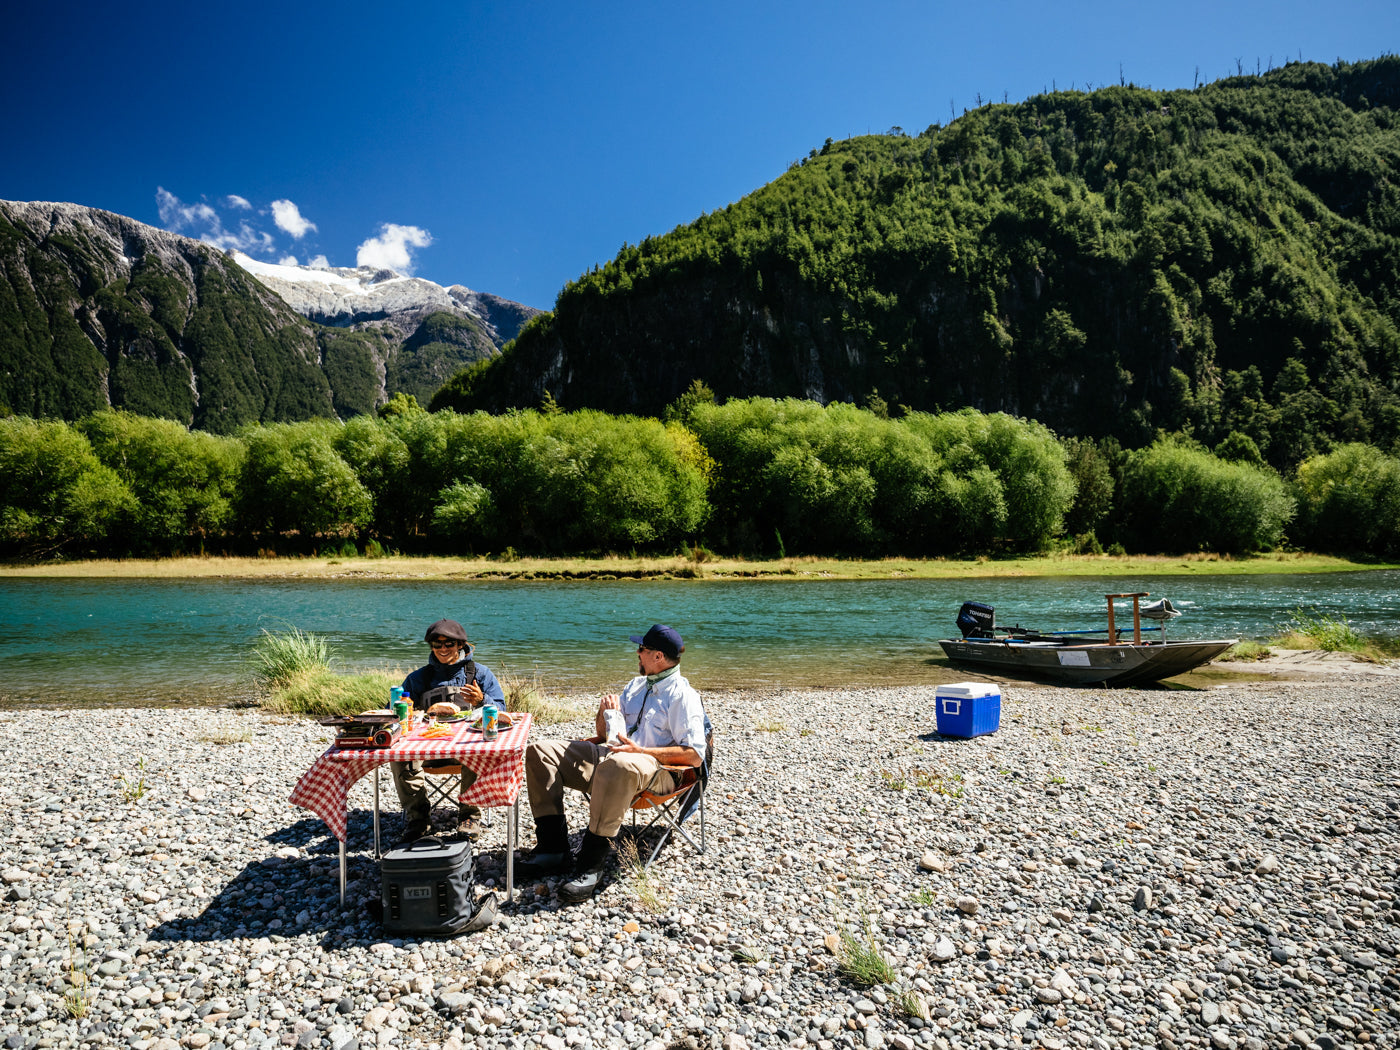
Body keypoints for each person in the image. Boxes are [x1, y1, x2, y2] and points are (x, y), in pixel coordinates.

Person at [518, 623, 707, 903]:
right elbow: (606, 735)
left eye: (641, 648)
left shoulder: (683, 695)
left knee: (619, 765)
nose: (637, 653)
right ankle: (552, 849)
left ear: (658, 656)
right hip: (614, 756)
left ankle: (590, 865)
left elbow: (694, 754)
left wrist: (640, 750)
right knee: (540, 752)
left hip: (657, 769)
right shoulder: (635, 686)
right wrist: (603, 713)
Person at [393, 618, 504, 843]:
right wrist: (407, 710)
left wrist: (483, 700)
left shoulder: (480, 674)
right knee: (399, 756)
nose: (443, 649)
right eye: (437, 644)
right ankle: (418, 819)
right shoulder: (418, 678)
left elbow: (501, 710)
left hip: (463, 751)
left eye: (449, 644)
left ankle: (470, 815)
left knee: (478, 749)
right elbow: (394, 713)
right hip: (426, 750)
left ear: (461, 645)